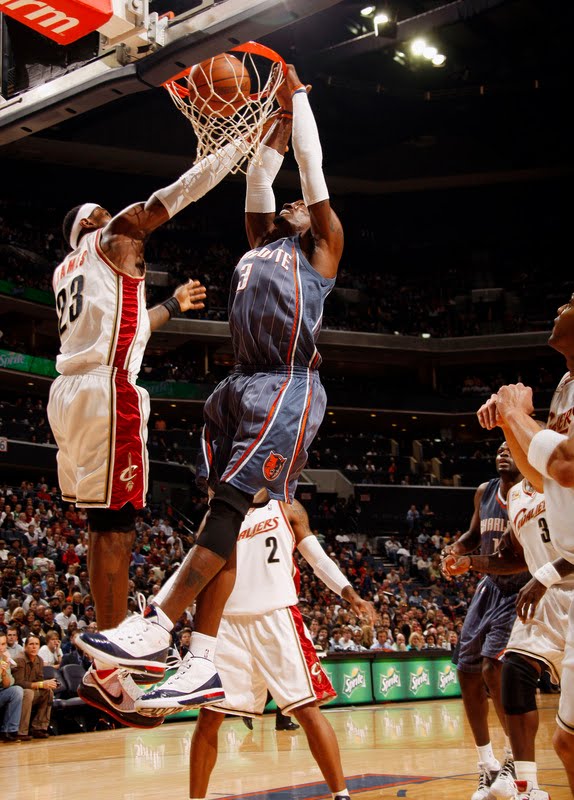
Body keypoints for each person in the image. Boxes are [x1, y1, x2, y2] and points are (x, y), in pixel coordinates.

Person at [77, 63, 345, 714]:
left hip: (287, 383)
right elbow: (260, 173)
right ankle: (201, 660)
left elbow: (310, 174)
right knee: (222, 511)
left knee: (230, 503)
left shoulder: (322, 247)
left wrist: (297, 99)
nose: (288, 206)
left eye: (298, 209)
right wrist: (271, 124)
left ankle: (160, 621)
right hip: (239, 384)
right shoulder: (259, 240)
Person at [46, 126, 251, 726]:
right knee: (118, 526)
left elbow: (126, 326)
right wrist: (230, 153)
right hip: (109, 392)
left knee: (103, 521)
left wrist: (168, 306)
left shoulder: (68, 274)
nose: (119, 220)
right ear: (94, 230)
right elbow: (171, 197)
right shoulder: (111, 239)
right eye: (106, 217)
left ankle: (107, 667)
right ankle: (110, 664)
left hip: (71, 394)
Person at [149, 497, 374, 800]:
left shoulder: (287, 506)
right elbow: (193, 569)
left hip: (276, 616)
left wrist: (351, 595)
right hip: (227, 624)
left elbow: (319, 560)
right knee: (210, 716)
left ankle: (341, 794)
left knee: (306, 710)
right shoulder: (218, 514)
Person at [475, 291, 574, 796]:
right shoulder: (565, 386)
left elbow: (566, 467)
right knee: (566, 739)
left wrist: (515, 413)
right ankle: (526, 788)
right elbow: (541, 468)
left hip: (564, 577)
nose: (560, 305)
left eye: (572, 301)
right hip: (557, 581)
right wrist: (514, 423)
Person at [444, 478, 574, 800]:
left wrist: (542, 576)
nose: (507, 450)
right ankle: (526, 786)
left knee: (567, 737)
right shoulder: (515, 496)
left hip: (557, 584)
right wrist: (470, 561)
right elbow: (512, 555)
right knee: (512, 671)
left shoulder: (564, 476)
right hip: (543, 594)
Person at [441, 441, 528, 800]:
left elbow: (518, 561)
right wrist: (455, 551)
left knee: (495, 668)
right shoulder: (484, 491)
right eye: (499, 447)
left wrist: (470, 563)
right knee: (466, 670)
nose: (502, 451)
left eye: (511, 447)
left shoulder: (529, 494)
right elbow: (474, 536)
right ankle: (487, 763)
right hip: (489, 587)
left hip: (521, 586)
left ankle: (512, 760)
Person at [12, 634, 58, 740]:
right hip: (18, 694)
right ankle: (21, 731)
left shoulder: (39, 660)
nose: (34, 647)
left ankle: (39, 728)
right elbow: (19, 683)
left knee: (48, 691)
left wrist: (48, 684)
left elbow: (39, 680)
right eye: (31, 644)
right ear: (25, 647)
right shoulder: (19, 659)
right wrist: (41, 684)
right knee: (28, 692)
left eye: (36, 644)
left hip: (31, 691)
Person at [0, 632, 24, 742]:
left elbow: (6, 684)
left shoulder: (4, 658)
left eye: (3, 644)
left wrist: (4, 672)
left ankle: (10, 731)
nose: (1, 647)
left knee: (17, 690)